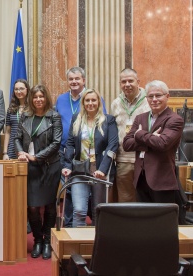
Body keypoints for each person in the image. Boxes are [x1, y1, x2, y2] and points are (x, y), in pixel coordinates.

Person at [54, 67, 106, 226]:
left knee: (88, 194)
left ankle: (88, 224)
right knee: (69, 190)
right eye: (71, 79)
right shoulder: (61, 99)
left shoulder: (93, 98)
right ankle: (69, 225)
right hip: (67, 152)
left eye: (77, 79)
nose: (74, 82)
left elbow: (102, 124)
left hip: (90, 155)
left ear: (84, 80)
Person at [15, 84, 62, 259]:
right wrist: (21, 152)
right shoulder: (25, 116)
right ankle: (37, 240)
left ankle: (48, 241)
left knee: (49, 206)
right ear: (31, 99)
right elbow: (17, 137)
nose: (38, 100)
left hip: (49, 166)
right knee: (33, 207)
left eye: (41, 96)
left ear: (46, 98)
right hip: (30, 167)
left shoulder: (54, 117)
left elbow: (56, 143)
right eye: (35, 97)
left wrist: (37, 157)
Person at [61, 89, 118, 227]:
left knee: (98, 211)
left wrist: (103, 170)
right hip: (79, 169)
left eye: (94, 100)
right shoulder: (76, 118)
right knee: (79, 210)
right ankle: (77, 245)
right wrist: (67, 166)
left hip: (99, 170)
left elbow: (113, 145)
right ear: (83, 102)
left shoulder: (108, 120)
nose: (90, 103)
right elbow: (69, 144)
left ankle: (98, 245)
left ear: (99, 102)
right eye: (87, 100)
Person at [122, 80, 184, 204]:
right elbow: (127, 144)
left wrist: (139, 134)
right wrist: (151, 139)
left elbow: (162, 144)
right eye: (150, 96)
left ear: (167, 96)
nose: (154, 99)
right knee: (143, 220)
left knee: (161, 221)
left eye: (158, 95)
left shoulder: (174, 119)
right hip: (140, 178)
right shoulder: (140, 118)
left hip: (161, 179)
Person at [108, 68, 150, 203]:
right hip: (123, 159)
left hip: (145, 158)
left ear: (138, 82)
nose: (127, 84)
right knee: (125, 199)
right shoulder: (116, 103)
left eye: (130, 81)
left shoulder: (149, 101)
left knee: (145, 198)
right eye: (123, 81)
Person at [4, 79, 29, 160]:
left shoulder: (32, 109)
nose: (19, 91)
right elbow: (7, 132)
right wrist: (5, 153)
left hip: (27, 148)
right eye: (16, 89)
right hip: (12, 149)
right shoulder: (11, 109)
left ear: (27, 89)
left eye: (21, 88)